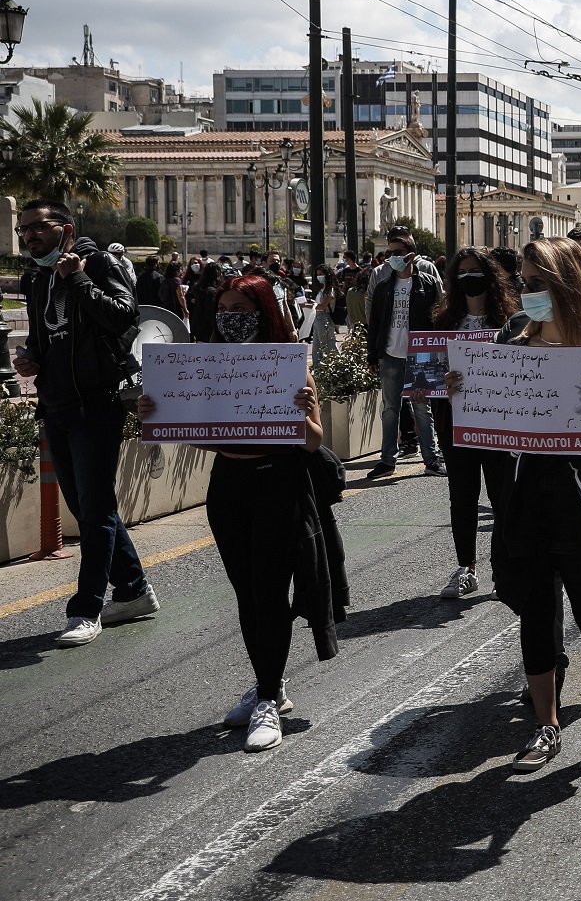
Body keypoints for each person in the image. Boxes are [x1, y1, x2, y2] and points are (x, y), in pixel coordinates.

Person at [451, 236, 581, 775]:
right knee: (536, 615)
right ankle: (546, 725)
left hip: (580, 501)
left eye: (537, 283)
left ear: (565, 286)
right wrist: (463, 393)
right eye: (524, 283)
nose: (527, 292)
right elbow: (485, 427)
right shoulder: (511, 349)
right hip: (524, 498)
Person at [134, 275, 341, 752]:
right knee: (247, 593)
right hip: (228, 487)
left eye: (241, 309)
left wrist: (304, 412)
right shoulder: (207, 364)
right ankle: (270, 684)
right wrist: (159, 413)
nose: (230, 317)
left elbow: (314, 442)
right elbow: (204, 437)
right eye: (223, 308)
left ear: (263, 312)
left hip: (278, 487)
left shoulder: (286, 363)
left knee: (269, 592)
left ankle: (267, 697)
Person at [15, 201, 157, 648]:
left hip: (96, 404)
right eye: (24, 229)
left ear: (65, 229)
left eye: (38, 226)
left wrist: (77, 279)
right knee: (89, 508)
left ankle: (86, 608)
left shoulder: (97, 264)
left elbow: (124, 317)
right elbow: (43, 336)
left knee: (95, 511)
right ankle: (133, 590)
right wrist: (31, 358)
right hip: (56, 404)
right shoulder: (36, 278)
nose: (29, 235)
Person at [428, 248, 523, 601]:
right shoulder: (444, 322)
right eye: (463, 272)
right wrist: (434, 385)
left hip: (498, 422)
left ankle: (503, 569)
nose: (470, 277)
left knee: (502, 496)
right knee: (462, 496)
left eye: (476, 271)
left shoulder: (511, 320)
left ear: (490, 276)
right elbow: (429, 372)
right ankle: (465, 567)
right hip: (455, 422)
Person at [365, 227, 446, 480]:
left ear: (411, 255)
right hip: (390, 355)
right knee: (390, 409)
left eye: (397, 252)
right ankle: (387, 460)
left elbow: (440, 317)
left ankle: (431, 459)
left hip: (421, 356)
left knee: (422, 408)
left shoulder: (428, 284)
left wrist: (438, 353)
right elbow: (375, 323)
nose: (392, 257)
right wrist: (372, 355)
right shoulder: (383, 287)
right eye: (389, 253)